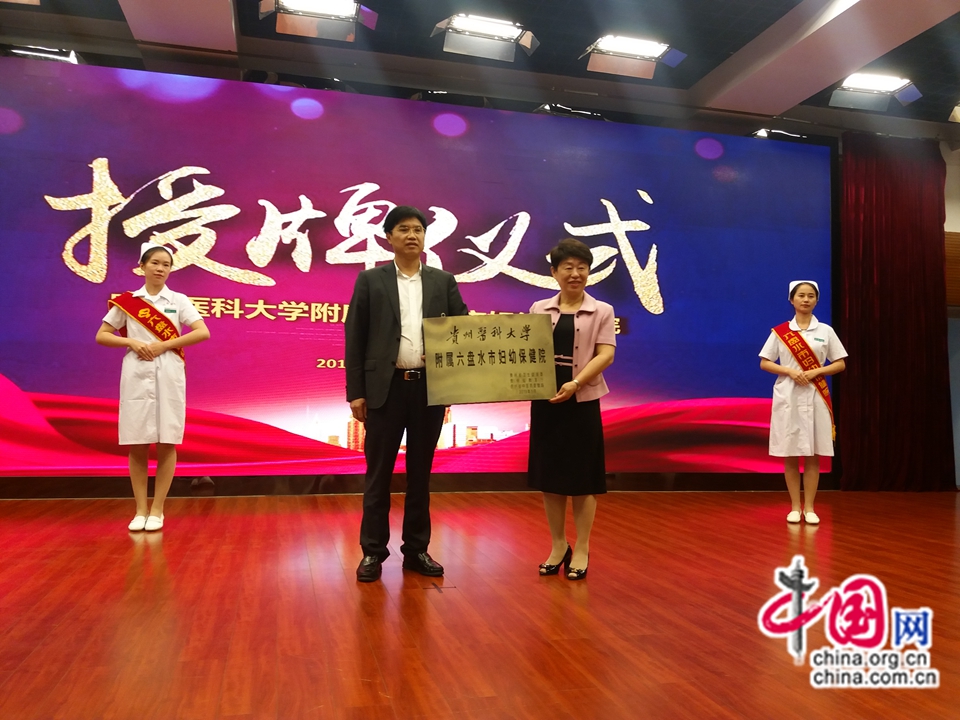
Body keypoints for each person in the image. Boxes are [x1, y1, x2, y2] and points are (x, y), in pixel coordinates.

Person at [345, 205, 469, 583]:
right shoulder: (371, 280)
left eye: (418, 229)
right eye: (403, 229)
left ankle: (416, 550)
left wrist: (448, 361)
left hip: (429, 389)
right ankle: (372, 552)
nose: (412, 235)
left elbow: (461, 329)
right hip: (385, 390)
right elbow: (355, 336)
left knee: (420, 474)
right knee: (378, 474)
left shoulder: (443, 281)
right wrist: (356, 392)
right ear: (389, 237)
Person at [96, 242, 210, 532]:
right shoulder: (128, 301)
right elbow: (103, 335)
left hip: (169, 371)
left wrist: (165, 345)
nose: (160, 269)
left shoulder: (179, 300)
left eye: (166, 265)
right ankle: (140, 510)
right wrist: (131, 341)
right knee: (137, 442)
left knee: (167, 441)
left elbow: (202, 332)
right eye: (155, 263)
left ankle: (157, 509)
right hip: (136, 372)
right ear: (142, 266)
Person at [528, 239, 616, 580]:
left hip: (582, 401)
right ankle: (557, 545)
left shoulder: (602, 310)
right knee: (550, 478)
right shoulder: (538, 308)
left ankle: (582, 547)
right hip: (546, 401)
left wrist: (576, 383)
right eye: (568, 267)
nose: (575, 273)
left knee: (583, 479)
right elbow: (526, 352)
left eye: (582, 267)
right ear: (554, 272)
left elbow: (606, 354)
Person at [759, 280, 847, 525]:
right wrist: (789, 371)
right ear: (792, 300)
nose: (806, 300)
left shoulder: (825, 331)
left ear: (816, 300)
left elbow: (840, 363)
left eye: (810, 296)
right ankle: (794, 507)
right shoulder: (780, 332)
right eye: (801, 295)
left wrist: (817, 371)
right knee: (790, 453)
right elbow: (765, 362)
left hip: (816, 394)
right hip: (788, 395)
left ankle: (809, 507)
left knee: (812, 454)